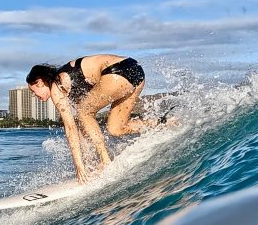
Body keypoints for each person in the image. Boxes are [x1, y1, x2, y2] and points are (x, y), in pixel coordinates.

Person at [27, 54, 163, 184]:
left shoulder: (56, 86)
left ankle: (105, 161)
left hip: (117, 71)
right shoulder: (68, 85)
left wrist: (79, 167)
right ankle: (161, 123)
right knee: (116, 128)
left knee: (84, 112)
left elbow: (70, 128)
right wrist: (87, 163)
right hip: (135, 70)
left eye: (33, 91)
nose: (35, 96)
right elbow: (80, 127)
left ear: (39, 82)